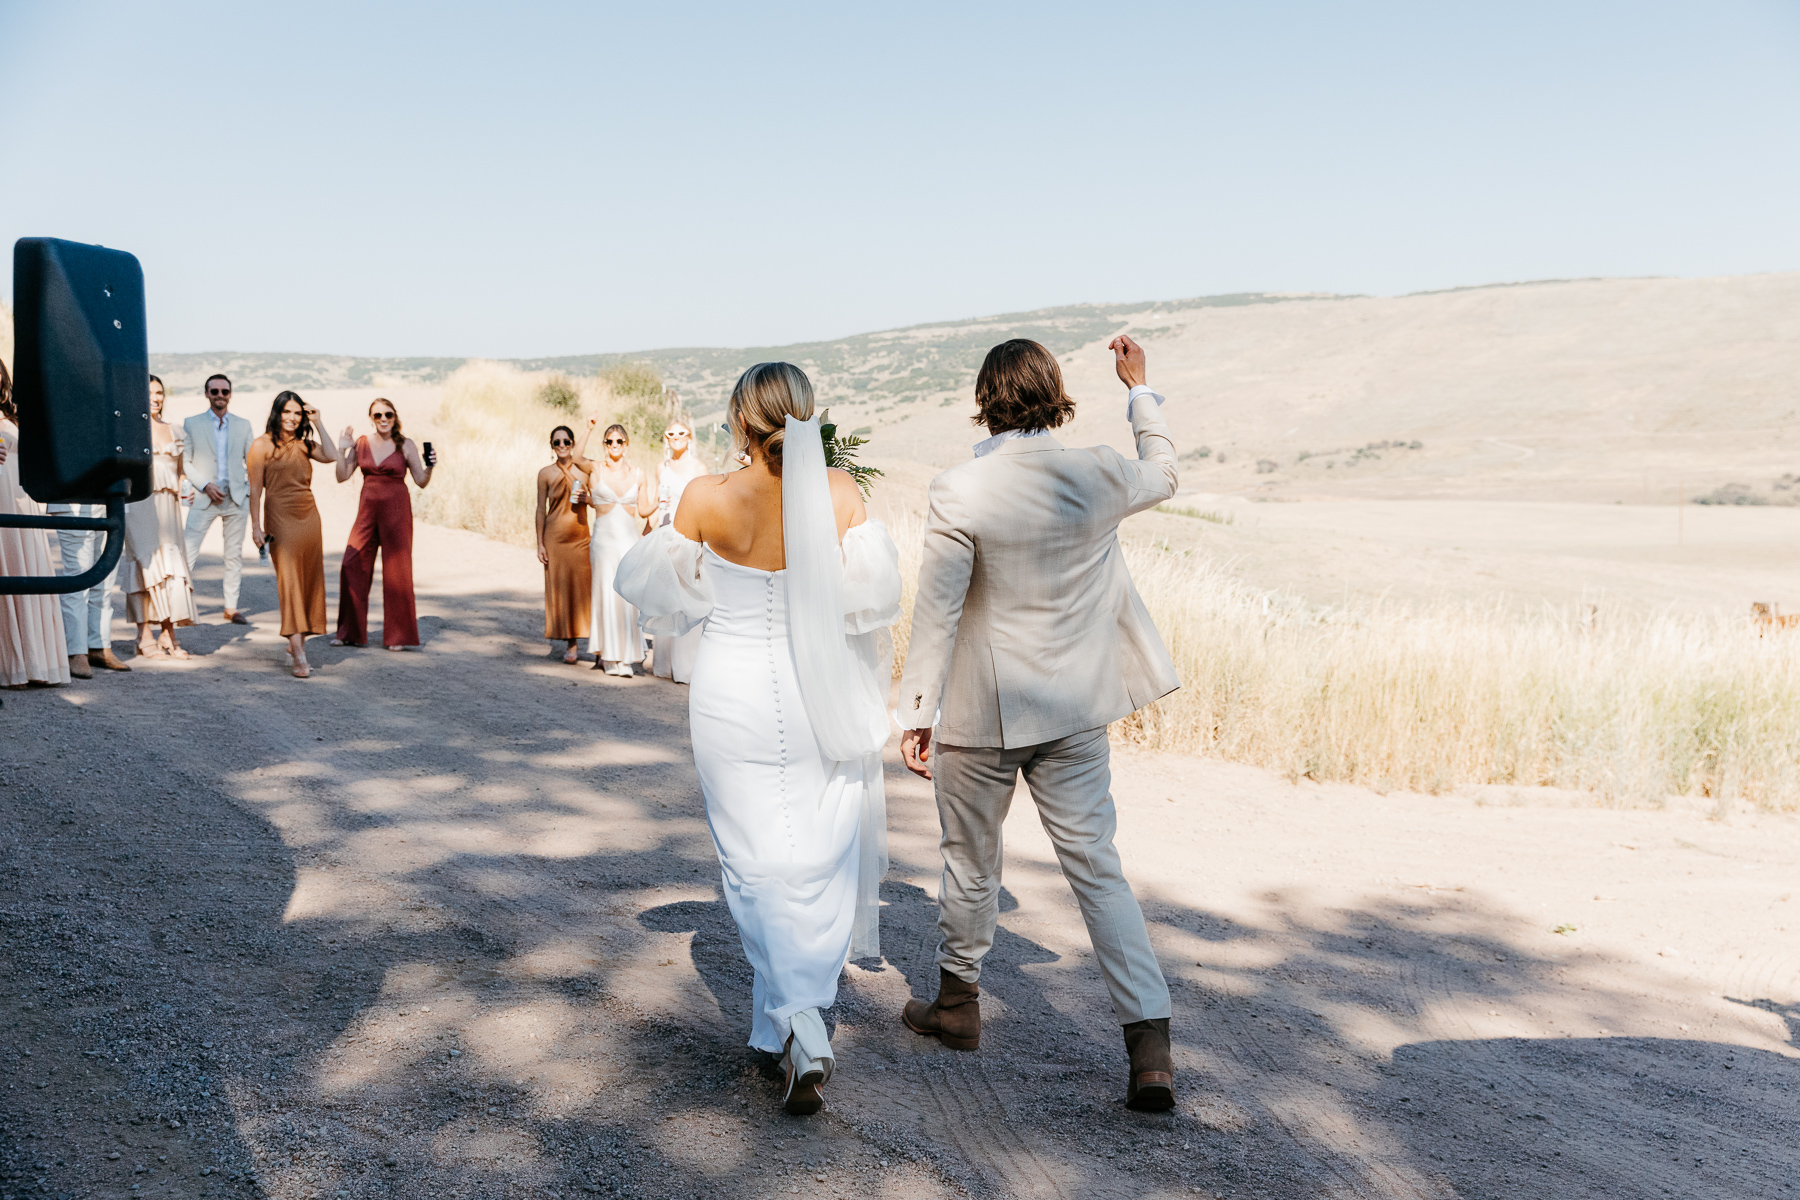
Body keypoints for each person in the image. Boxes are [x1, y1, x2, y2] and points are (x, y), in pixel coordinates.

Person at [896, 335, 1182, 1113]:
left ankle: (957, 1007)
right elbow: (1165, 470)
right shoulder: (1096, 471)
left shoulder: (959, 488)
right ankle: (1149, 1047)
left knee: (970, 860)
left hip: (983, 715)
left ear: (984, 398)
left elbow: (937, 613)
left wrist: (918, 710)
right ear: (1055, 392)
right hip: (1077, 713)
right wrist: (1139, 391)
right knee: (1097, 866)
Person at [616, 362, 901, 1117]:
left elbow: (662, 598)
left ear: (740, 419)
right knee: (816, 851)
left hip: (733, 690)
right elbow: (870, 602)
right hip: (818, 690)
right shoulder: (841, 494)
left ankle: (793, 1024)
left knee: (751, 860)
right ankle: (790, 1022)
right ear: (810, 416)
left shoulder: (705, 496)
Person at [248, 391, 339, 678]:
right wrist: (255, 527)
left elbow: (332, 455)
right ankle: (298, 653)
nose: (292, 418)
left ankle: (298, 639)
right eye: (287, 412)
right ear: (277, 413)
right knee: (289, 582)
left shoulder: (304, 444)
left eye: (297, 413)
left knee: (309, 578)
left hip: (309, 516)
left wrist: (319, 421)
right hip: (279, 518)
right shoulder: (261, 446)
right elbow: (255, 491)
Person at [333, 398, 434, 650]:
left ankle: (398, 637)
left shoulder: (405, 444)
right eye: (377, 415)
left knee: (397, 571)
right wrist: (342, 449)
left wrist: (431, 465)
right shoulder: (362, 443)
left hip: (397, 512)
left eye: (387, 414)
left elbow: (421, 480)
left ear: (394, 416)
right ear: (371, 418)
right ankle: (350, 633)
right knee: (351, 563)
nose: (383, 419)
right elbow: (342, 476)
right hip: (367, 513)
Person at [0, 358, 70, 687]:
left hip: (22, 499)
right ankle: (8, 665)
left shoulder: (15, 415)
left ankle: (34, 663)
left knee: (26, 572)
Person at [118, 375, 198, 658]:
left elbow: (182, 472)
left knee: (172, 568)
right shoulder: (128, 431)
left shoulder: (176, 431)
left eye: (160, 393)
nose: (156, 398)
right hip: (139, 504)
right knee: (144, 564)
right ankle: (143, 635)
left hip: (169, 507)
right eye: (149, 393)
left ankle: (168, 632)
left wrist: (187, 489)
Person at [182, 373, 255, 624]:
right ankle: (181, 607)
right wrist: (204, 485)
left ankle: (231, 607)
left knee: (233, 554)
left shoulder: (244, 425)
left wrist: (246, 490)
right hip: (204, 497)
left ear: (230, 395)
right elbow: (185, 462)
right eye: (215, 392)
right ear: (207, 394)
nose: (220, 396)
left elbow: (252, 462)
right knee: (188, 551)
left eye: (225, 391)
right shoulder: (191, 423)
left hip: (236, 499)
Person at [645, 417, 709, 683]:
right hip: (666, 532)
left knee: (687, 593)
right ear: (666, 438)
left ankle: (686, 664)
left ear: (690, 437)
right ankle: (664, 662)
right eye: (671, 434)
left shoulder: (699, 467)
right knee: (666, 594)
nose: (676, 438)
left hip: (691, 535)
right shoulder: (662, 467)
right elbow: (657, 503)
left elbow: (705, 504)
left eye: (682, 433)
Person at [581, 422, 646, 675]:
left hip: (629, 540)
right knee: (605, 593)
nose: (614, 445)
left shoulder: (639, 473)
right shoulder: (595, 468)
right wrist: (587, 428)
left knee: (627, 597)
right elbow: (576, 457)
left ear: (626, 444)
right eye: (609, 441)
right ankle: (608, 656)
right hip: (604, 541)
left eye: (619, 441)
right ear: (604, 445)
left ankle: (627, 657)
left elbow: (644, 509)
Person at [535, 424, 592, 663]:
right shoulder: (545, 473)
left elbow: (601, 500)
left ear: (572, 444)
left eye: (566, 442)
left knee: (585, 591)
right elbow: (540, 509)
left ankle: (598, 647)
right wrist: (539, 543)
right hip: (555, 540)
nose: (561, 446)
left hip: (580, 538)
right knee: (563, 591)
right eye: (557, 442)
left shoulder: (584, 471)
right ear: (551, 446)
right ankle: (572, 645)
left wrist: (587, 498)